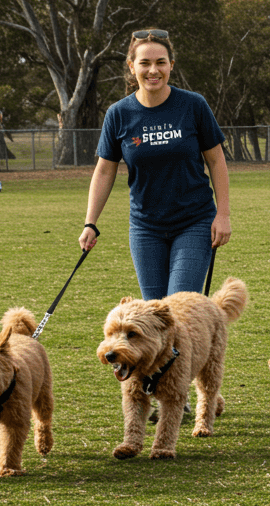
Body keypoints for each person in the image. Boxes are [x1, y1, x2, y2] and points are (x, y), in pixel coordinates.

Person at [78, 28, 232, 301]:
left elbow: (217, 160)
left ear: (171, 65)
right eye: (145, 63)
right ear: (131, 66)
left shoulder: (193, 105)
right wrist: (90, 222)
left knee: (177, 308)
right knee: (154, 315)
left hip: (194, 222)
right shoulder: (118, 114)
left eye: (161, 62)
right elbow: (104, 171)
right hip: (145, 228)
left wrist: (223, 214)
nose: (153, 70)